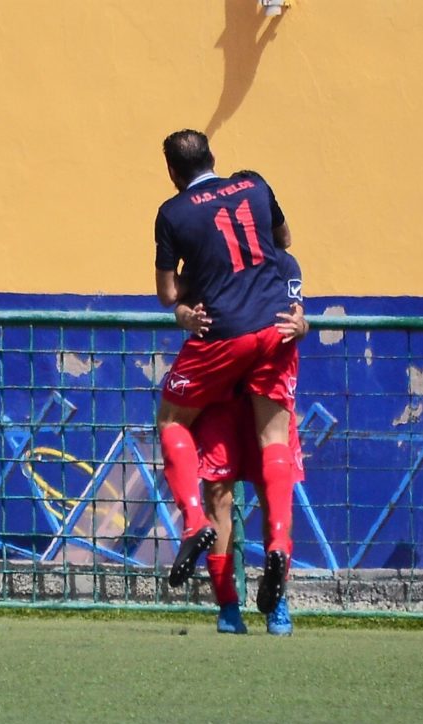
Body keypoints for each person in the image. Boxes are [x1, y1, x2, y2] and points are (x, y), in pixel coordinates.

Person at [153, 131, 300, 616]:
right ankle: (277, 545)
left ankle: (193, 522)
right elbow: (283, 241)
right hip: (274, 328)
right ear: (213, 156)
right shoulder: (255, 187)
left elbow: (168, 295)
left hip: (224, 334)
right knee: (274, 442)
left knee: (171, 419)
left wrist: (197, 283)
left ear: (173, 172)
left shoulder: (173, 213)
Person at [175, 201, 308, 636]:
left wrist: (302, 326)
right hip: (221, 397)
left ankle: (276, 603)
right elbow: (180, 306)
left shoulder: (283, 264)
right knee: (219, 493)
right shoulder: (209, 256)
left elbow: (296, 317)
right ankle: (228, 606)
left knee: (273, 492)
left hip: (263, 392)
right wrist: (187, 317)